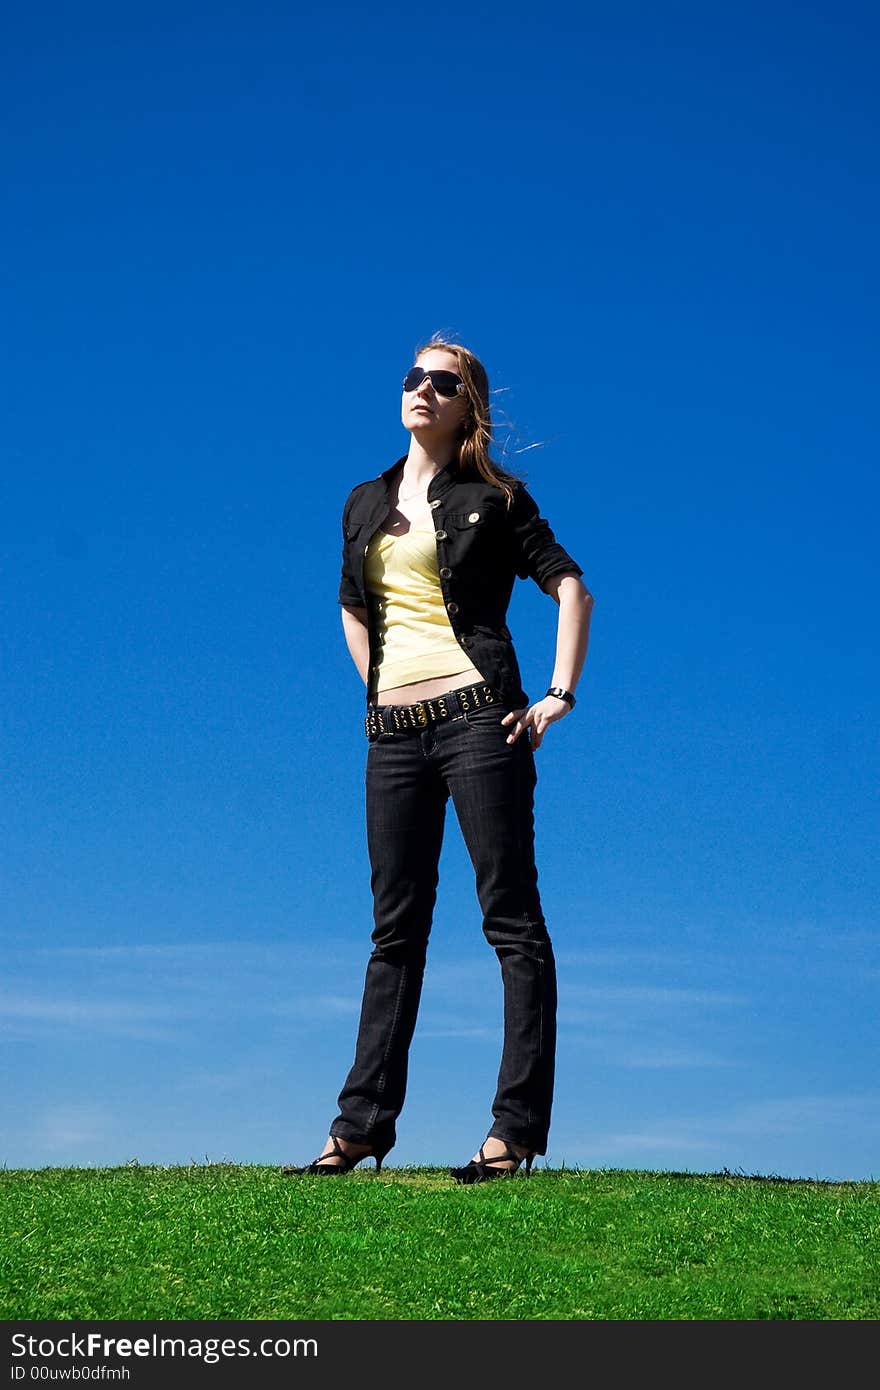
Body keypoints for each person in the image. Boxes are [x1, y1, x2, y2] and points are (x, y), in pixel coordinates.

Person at [284, 333, 593, 1182]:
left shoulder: (497, 497)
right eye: (414, 377)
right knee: (395, 932)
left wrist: (558, 695)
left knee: (511, 922)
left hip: (481, 721)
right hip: (392, 733)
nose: (423, 389)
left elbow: (571, 585)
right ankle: (358, 1130)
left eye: (443, 381)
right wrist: (379, 684)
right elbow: (353, 605)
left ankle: (513, 1131)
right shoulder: (363, 501)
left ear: (468, 405)